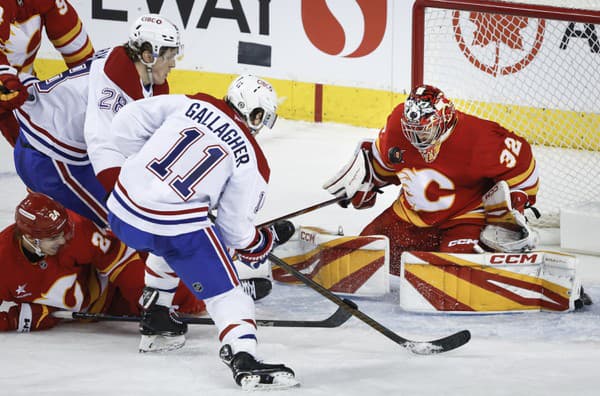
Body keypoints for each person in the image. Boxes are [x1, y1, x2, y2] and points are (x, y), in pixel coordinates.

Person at [96, 74, 298, 390]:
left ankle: (157, 317)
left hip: (122, 209)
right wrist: (261, 241)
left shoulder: (191, 102)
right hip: (173, 227)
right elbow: (234, 230)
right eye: (262, 116)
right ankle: (243, 356)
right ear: (254, 113)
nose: (261, 124)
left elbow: (124, 123)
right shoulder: (252, 158)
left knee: (172, 240)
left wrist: (147, 167)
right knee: (228, 292)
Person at [323, 84, 540, 276]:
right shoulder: (399, 125)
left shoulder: (482, 138)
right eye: (412, 131)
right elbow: (384, 162)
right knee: (363, 257)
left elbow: (523, 168)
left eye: (424, 132)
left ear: (443, 120)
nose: (417, 140)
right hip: (409, 214)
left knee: (452, 271)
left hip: (465, 217)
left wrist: (516, 206)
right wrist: (368, 182)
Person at [12, 13, 180, 229]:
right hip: (47, 156)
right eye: (169, 56)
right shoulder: (114, 85)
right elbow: (102, 144)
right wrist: (126, 200)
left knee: (123, 222)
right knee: (126, 222)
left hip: (68, 151)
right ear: (148, 56)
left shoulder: (141, 78)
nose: (173, 64)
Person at [0, 192, 205, 332]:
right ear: (29, 239)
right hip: (100, 310)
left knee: (185, 295)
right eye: (53, 238)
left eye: (63, 233)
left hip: (116, 284)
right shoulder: (3, 260)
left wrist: (149, 305)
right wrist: (16, 319)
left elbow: (121, 262)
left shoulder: (76, 229)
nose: (63, 240)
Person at [0, 0, 95, 146]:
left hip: (17, 89)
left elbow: (84, 61)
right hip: (7, 88)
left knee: (36, 149)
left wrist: (95, 93)